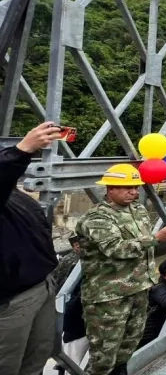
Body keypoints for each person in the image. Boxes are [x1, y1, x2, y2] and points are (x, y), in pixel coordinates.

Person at [75, 163, 166, 375]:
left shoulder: (137, 210)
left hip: (138, 290)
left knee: (128, 347)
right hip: (109, 297)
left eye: (136, 187)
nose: (133, 192)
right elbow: (115, 248)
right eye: (127, 187)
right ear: (110, 188)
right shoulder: (97, 217)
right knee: (104, 356)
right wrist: (154, 239)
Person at [0, 122, 64, 375]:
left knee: (37, 357)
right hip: (11, 302)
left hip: (41, 287)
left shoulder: (11, 194)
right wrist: (23, 150)